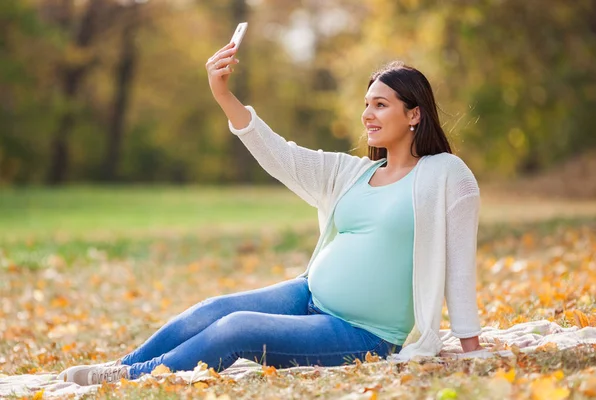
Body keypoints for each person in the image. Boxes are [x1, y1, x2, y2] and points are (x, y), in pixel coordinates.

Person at [58, 42, 483, 386]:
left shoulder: (445, 175)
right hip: (308, 295)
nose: (367, 115)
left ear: (414, 114)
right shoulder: (352, 172)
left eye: (381, 105)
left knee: (238, 328)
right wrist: (224, 96)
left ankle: (127, 380)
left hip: (363, 332)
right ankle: (123, 365)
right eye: (366, 104)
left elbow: (459, 268)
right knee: (213, 309)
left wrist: (473, 350)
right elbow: (281, 155)